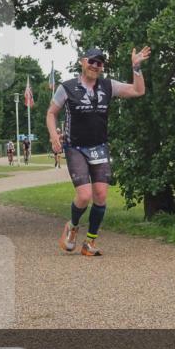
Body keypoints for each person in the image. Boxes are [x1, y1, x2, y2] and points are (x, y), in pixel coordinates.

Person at [48, 45, 151, 256]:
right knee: (84, 196)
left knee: (101, 195)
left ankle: (90, 242)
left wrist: (136, 67)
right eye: (91, 61)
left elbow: (138, 90)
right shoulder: (66, 87)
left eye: (99, 63)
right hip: (75, 147)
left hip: (99, 147)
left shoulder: (108, 85)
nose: (95, 65)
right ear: (82, 62)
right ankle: (72, 226)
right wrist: (53, 136)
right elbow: (51, 113)